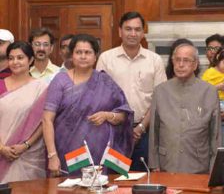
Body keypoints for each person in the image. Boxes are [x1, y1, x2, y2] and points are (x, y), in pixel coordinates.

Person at [42, 34, 134, 176]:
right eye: (78, 52)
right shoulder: (60, 80)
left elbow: (124, 115)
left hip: (99, 156)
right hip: (66, 153)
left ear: (95, 56)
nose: (83, 56)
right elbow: (47, 119)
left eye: (88, 52)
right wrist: (52, 155)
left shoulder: (105, 81)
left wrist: (107, 115)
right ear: (71, 55)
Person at [96, 11, 166, 171]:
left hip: (146, 132)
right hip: (114, 132)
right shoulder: (106, 59)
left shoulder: (154, 60)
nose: (133, 33)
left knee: (143, 178)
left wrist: (140, 128)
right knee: (114, 179)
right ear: (120, 31)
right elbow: (100, 97)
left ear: (143, 33)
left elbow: (160, 99)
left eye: (137, 29)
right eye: (128, 29)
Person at [148, 43, 221, 174]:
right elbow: (154, 130)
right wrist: (154, 164)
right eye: (177, 60)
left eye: (186, 60)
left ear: (195, 64)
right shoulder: (160, 91)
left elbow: (215, 135)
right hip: (167, 164)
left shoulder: (209, 91)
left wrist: (214, 168)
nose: (181, 65)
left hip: (198, 165)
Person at [0, 41, 48, 183]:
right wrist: (2, 148)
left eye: (20, 58)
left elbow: (43, 122)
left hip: (30, 156)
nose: (15, 62)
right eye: (11, 58)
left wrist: (26, 145)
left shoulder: (41, 88)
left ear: (31, 60)